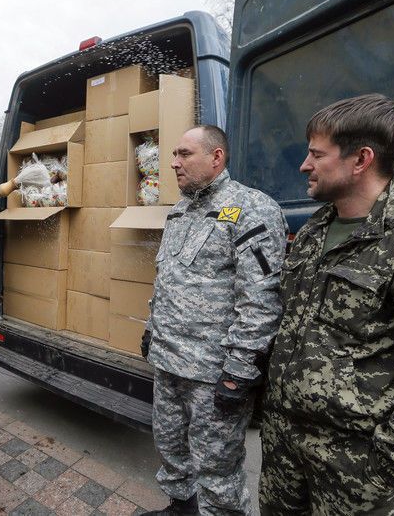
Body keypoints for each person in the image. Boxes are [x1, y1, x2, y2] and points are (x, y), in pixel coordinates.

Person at [259, 94, 394, 515]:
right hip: (283, 451)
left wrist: (386, 468)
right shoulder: (314, 230)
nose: (304, 165)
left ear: (361, 160)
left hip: (357, 470)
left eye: (317, 154)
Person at [140, 125, 288, 516]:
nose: (173, 163)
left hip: (212, 371)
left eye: (184, 154)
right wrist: (152, 329)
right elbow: (169, 276)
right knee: (171, 450)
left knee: (217, 470)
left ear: (216, 157)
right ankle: (181, 507)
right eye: (174, 154)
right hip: (169, 361)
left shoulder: (251, 208)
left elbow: (261, 299)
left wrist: (240, 370)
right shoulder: (181, 209)